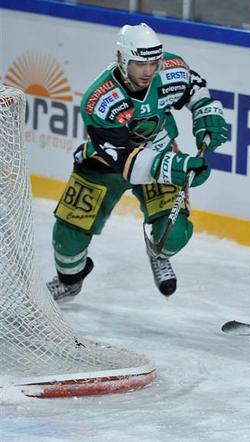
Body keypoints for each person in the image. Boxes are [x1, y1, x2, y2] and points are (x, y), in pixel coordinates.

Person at [46, 23, 228, 301]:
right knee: (67, 238)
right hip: (105, 165)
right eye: (139, 64)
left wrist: (206, 114)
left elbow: (196, 88)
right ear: (121, 59)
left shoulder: (169, 70)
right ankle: (70, 281)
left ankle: (156, 250)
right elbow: (126, 162)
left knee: (173, 235)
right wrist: (178, 167)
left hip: (161, 151)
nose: (148, 71)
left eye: (153, 62)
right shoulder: (100, 100)